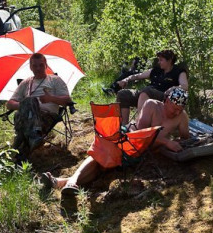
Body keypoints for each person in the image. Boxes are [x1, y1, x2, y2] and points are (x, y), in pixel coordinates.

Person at [40, 86, 190, 212]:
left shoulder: (181, 116)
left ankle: (62, 182)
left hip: (137, 153)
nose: (176, 112)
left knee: (102, 161)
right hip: (128, 139)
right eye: (175, 108)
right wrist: (166, 142)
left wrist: (177, 141)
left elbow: (185, 137)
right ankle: (70, 181)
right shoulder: (152, 105)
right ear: (167, 100)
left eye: (180, 109)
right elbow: (141, 134)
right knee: (103, 152)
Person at [6, 53, 72, 159]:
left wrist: (50, 98)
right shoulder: (26, 83)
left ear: (46, 65)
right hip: (26, 116)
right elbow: (9, 104)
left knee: (23, 129)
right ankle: (34, 136)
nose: (38, 68)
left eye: (41, 65)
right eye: (35, 66)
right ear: (30, 67)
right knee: (30, 102)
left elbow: (68, 100)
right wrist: (25, 106)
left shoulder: (55, 80)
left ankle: (18, 152)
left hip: (46, 116)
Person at [115, 49, 188, 125]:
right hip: (146, 93)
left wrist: (173, 88)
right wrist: (126, 79)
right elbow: (138, 76)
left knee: (147, 91)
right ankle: (124, 126)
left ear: (169, 60)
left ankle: (139, 124)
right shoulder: (156, 70)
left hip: (163, 97)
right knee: (123, 94)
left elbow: (185, 86)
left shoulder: (179, 71)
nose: (159, 62)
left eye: (161, 60)